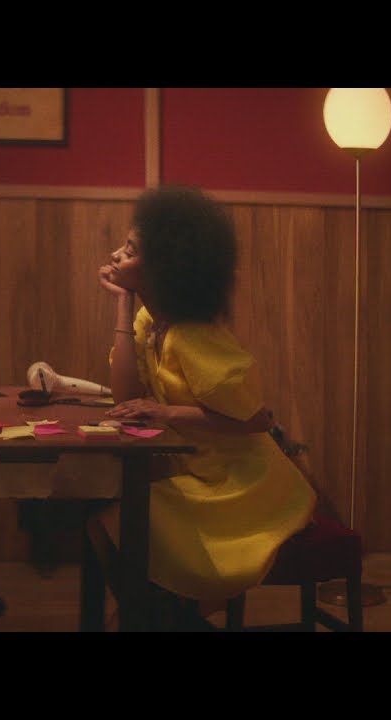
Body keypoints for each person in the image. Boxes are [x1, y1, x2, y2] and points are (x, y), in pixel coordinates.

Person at [96, 185, 316, 628]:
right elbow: (125, 396)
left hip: (246, 487)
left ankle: (160, 619)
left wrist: (166, 413)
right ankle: (160, 618)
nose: (116, 255)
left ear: (163, 268)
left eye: (131, 251)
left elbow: (258, 420)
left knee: (118, 521)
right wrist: (124, 302)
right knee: (106, 523)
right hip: (204, 477)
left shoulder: (193, 336)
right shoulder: (151, 322)